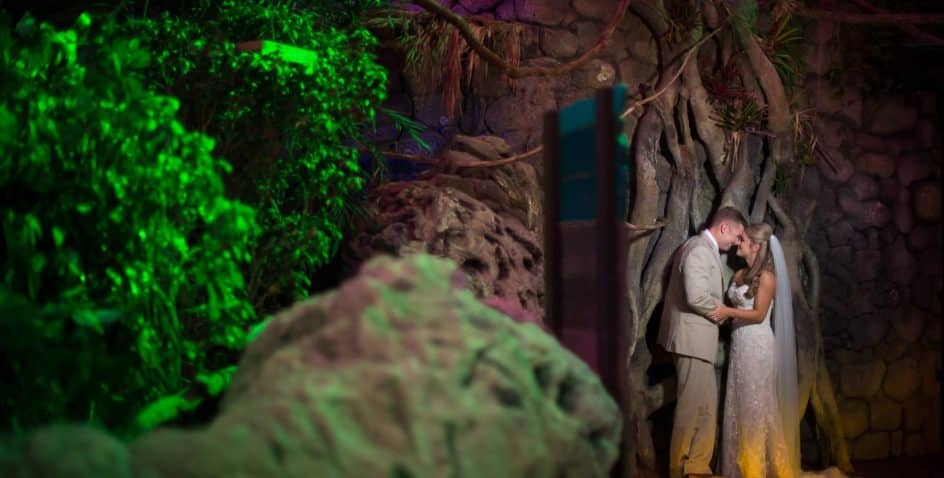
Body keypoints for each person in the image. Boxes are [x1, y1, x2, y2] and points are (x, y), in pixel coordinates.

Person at [658, 206, 747, 478]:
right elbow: (696, 296)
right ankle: (680, 468)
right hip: (691, 340)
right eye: (737, 236)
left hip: (698, 342)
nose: (736, 243)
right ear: (724, 228)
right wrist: (726, 315)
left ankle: (696, 467)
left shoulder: (703, 249)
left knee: (705, 407)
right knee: (690, 408)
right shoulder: (697, 249)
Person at [707, 223, 800, 478]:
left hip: (758, 347)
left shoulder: (768, 277)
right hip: (739, 345)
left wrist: (727, 312)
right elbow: (735, 310)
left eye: (743, 240)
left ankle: (756, 470)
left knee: (756, 409)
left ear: (756, 247)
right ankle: (737, 469)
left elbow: (759, 315)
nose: (739, 242)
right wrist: (722, 312)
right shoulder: (739, 274)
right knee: (738, 404)